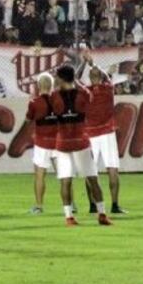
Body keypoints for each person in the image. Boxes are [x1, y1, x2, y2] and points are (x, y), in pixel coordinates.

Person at [33, 65, 112, 226]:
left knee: (65, 180)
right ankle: (102, 214)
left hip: (63, 144)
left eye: (57, 77)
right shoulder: (83, 93)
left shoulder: (54, 96)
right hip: (81, 142)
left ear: (61, 79)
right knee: (92, 179)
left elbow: (49, 108)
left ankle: (69, 217)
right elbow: (88, 97)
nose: (55, 80)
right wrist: (76, 82)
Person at [84, 64, 125, 214]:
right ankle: (115, 205)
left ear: (89, 77)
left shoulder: (85, 92)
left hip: (90, 134)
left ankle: (92, 205)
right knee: (112, 169)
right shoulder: (108, 89)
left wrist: (87, 63)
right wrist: (101, 69)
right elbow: (107, 79)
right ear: (100, 77)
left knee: (90, 171)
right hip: (107, 133)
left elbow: (75, 79)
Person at [25, 72, 57, 215]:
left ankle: (39, 206)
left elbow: (28, 120)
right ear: (52, 86)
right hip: (58, 142)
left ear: (39, 86)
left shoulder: (34, 103)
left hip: (42, 142)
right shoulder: (59, 101)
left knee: (39, 175)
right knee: (64, 174)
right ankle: (71, 204)